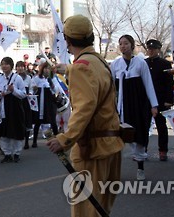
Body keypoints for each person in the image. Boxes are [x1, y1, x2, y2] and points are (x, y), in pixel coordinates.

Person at [46, 15, 124, 217]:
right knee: (101, 208)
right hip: (111, 144)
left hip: (92, 149)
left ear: (68, 40)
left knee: (86, 211)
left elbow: (84, 109)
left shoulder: (81, 67)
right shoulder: (100, 62)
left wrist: (65, 139)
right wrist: (69, 68)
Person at [111, 34, 158, 181]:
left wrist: (154, 105)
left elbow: (148, 84)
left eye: (126, 43)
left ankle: (140, 168)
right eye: (121, 43)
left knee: (138, 136)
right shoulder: (115, 64)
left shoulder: (140, 63)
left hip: (138, 105)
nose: (123, 46)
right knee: (116, 138)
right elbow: (110, 87)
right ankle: (113, 172)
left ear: (132, 45)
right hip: (121, 106)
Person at [0, 57, 26, 163]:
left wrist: (13, 90)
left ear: (11, 65)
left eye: (6, 64)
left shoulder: (17, 78)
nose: (4, 66)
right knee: (4, 131)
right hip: (3, 107)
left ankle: (16, 153)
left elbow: (23, 94)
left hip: (15, 108)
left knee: (16, 130)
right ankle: (6, 153)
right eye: (2, 64)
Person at [145, 39, 173, 161]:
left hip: (160, 99)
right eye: (149, 49)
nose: (151, 51)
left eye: (154, 49)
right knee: (144, 126)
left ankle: (163, 150)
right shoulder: (143, 63)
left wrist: (168, 99)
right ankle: (142, 150)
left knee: (161, 126)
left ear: (158, 50)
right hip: (146, 100)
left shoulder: (164, 64)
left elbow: (169, 83)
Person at [31, 61, 59, 148]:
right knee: (38, 122)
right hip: (40, 102)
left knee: (53, 122)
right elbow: (31, 90)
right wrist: (34, 89)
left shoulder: (53, 79)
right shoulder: (36, 78)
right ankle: (34, 141)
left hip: (50, 102)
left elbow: (56, 91)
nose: (47, 70)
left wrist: (51, 84)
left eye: (48, 69)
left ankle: (57, 140)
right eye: (45, 68)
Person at [16, 61, 33, 149]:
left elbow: (31, 88)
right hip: (16, 101)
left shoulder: (28, 78)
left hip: (25, 101)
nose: (20, 68)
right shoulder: (13, 77)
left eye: (22, 66)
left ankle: (26, 141)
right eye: (18, 66)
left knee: (26, 120)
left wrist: (30, 93)